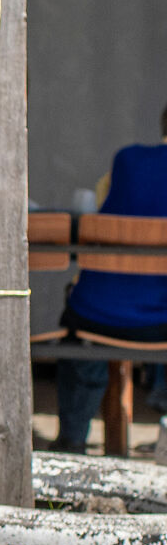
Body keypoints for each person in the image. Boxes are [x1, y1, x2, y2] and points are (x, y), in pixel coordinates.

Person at [53, 105, 167, 450]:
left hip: (97, 315)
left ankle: (72, 440)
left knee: (83, 330)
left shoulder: (128, 159)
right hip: (160, 321)